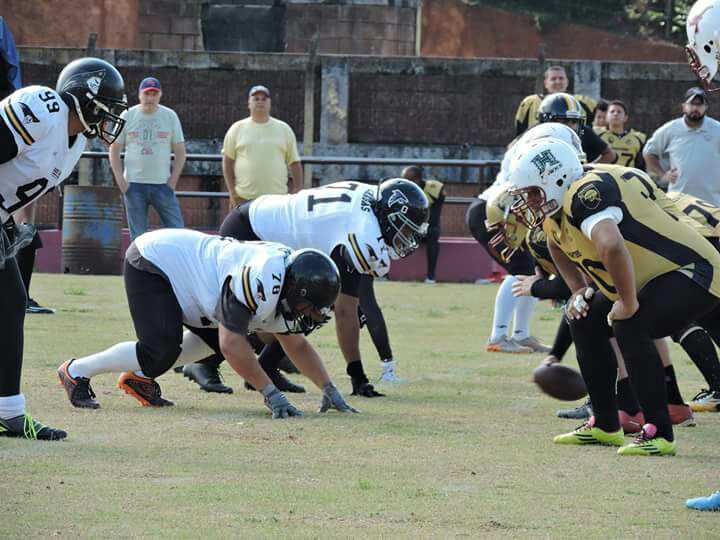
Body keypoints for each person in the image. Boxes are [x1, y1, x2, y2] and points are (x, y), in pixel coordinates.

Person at [506, 138, 720, 456]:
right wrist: (579, 292)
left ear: (556, 177)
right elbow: (556, 244)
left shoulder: (584, 193)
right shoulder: (557, 207)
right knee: (584, 315)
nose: (531, 202)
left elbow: (611, 245)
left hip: (692, 269)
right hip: (654, 275)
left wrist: (628, 301)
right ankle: (606, 425)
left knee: (630, 323)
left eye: (534, 192)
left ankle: (659, 432)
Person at [57, 229, 357, 418]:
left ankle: (139, 378)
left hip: (196, 284)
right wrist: (270, 394)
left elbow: (296, 343)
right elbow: (231, 344)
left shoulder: (285, 285)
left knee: (219, 342)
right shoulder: (263, 277)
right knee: (161, 348)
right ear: (295, 290)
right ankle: (76, 371)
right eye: (308, 307)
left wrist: (329, 388)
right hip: (157, 260)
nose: (308, 315)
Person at [186, 179, 429, 396]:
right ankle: (203, 362)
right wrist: (358, 376)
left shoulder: (373, 201)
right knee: (260, 310)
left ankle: (267, 367)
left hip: (259, 221)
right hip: (250, 231)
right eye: (405, 229)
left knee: (308, 306)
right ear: (390, 219)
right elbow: (346, 312)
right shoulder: (363, 233)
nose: (407, 238)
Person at [0, 56, 127, 440]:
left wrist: (12, 224)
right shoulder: (44, 107)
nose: (111, 117)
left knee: (10, 305)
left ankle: (9, 411)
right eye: (108, 105)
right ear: (85, 97)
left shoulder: (75, 143)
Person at [466, 122, 584, 354]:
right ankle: (498, 336)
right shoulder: (530, 155)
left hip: (510, 212)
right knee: (520, 270)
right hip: (496, 212)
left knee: (533, 271)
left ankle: (521, 334)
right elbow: (514, 196)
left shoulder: (526, 147)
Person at [109, 77, 186, 241]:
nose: (150, 98)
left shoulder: (170, 116)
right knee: (138, 238)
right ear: (139, 95)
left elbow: (180, 151)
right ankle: (140, 267)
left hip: (162, 185)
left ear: (160, 95)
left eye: (154, 94)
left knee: (178, 232)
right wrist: (120, 181)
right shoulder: (127, 115)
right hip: (134, 185)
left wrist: (172, 181)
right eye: (147, 94)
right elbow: (114, 148)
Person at [222, 85, 302, 210]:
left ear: (270, 103)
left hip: (277, 200)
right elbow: (227, 162)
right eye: (256, 99)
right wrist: (232, 192)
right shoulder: (236, 128)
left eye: (264, 99)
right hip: (243, 199)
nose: (260, 102)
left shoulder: (284, 129)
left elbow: (294, 162)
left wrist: (297, 191)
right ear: (249, 103)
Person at [644, 87, 720, 206]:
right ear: (684, 106)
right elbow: (649, 152)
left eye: (700, 104)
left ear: (706, 107)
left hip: (712, 201)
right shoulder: (671, 129)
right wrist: (662, 175)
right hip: (678, 200)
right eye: (691, 104)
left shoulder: (717, 129)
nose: (695, 108)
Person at [514, 65, 598, 136]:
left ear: (567, 82)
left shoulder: (584, 102)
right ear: (546, 83)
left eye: (561, 78)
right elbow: (520, 132)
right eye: (553, 79)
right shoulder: (530, 102)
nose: (558, 82)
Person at [537, 93, 616, 163]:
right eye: (565, 120)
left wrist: (589, 168)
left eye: (574, 121)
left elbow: (610, 154)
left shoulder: (583, 131)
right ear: (547, 120)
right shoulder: (536, 135)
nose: (571, 125)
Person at [401, 165, 444, 284]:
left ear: (418, 180)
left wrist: (420, 227)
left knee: (433, 234)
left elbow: (434, 217)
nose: (405, 183)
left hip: (427, 227)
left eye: (409, 180)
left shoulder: (433, 190)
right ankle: (383, 273)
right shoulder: (402, 190)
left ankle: (431, 276)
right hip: (407, 227)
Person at [594, 100, 647, 170]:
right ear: (606, 117)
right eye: (612, 111)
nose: (615, 114)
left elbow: (641, 166)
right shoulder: (597, 134)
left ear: (625, 118)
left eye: (619, 112)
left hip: (629, 178)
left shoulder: (638, 138)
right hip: (603, 177)